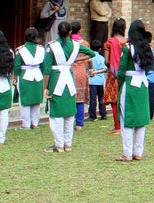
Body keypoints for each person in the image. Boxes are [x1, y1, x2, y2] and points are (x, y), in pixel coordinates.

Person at [43, 22, 98, 153]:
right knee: (69, 113)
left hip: (56, 78)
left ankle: (59, 145)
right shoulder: (76, 45)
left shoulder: (51, 46)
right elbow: (92, 54)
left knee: (56, 113)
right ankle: (67, 144)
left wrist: (45, 88)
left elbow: (46, 69)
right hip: (69, 77)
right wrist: (77, 59)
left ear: (57, 31)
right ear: (70, 33)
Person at [115, 20, 154, 160]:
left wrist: (119, 83)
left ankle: (127, 153)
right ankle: (138, 152)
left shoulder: (128, 48)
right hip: (143, 84)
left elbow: (121, 70)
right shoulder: (147, 47)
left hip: (130, 83)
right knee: (140, 119)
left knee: (126, 119)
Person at [14, 28, 46, 130]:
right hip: (38, 75)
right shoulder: (41, 49)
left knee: (24, 101)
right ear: (36, 37)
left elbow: (17, 66)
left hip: (24, 76)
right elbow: (44, 65)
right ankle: (35, 123)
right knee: (36, 101)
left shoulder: (20, 50)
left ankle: (26, 124)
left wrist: (15, 78)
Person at [102, 18, 127, 134]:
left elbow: (106, 61)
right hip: (126, 73)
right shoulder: (127, 42)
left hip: (113, 74)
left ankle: (117, 125)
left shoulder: (110, 42)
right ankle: (126, 123)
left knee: (114, 99)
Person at [87, 39, 107, 121]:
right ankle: (103, 113)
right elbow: (104, 69)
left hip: (92, 80)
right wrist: (97, 71)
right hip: (100, 80)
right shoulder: (101, 58)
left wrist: (93, 72)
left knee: (93, 98)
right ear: (99, 49)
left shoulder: (89, 57)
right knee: (101, 97)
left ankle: (92, 115)